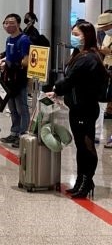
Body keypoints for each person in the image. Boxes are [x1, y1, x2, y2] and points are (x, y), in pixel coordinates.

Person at [50, 21, 106, 198]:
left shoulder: (89, 57)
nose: (73, 38)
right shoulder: (79, 54)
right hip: (77, 106)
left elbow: (71, 79)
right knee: (80, 146)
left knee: (86, 147)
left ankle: (87, 181)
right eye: (72, 34)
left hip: (85, 107)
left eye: (77, 34)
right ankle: (82, 180)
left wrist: (56, 89)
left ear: (87, 35)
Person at [0, 14, 31, 148]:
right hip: (8, 77)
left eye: (11, 23)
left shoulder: (24, 40)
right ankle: (14, 132)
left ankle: (23, 134)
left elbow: (26, 61)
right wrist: (3, 59)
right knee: (12, 107)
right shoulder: (9, 39)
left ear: (18, 24)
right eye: (6, 23)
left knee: (22, 107)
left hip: (19, 78)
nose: (8, 25)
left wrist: (10, 64)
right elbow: (10, 55)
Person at [96, 12, 112, 148]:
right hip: (108, 71)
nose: (105, 30)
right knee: (104, 102)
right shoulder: (107, 36)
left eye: (107, 27)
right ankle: (98, 134)